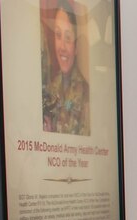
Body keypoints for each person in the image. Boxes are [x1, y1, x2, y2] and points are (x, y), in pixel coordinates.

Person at [42, 0, 90, 136]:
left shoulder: (87, 95)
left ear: (76, 47)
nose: (62, 47)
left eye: (68, 38)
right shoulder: (50, 90)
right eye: (58, 35)